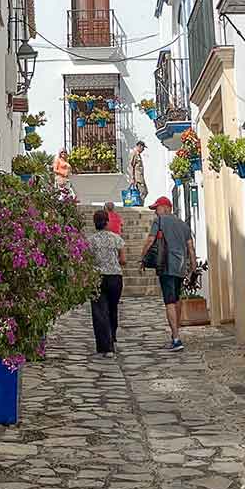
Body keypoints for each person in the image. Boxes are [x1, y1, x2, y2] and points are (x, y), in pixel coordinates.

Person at [141, 195, 196, 352]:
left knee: (169, 301)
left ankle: (176, 338)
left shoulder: (160, 221)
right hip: (180, 267)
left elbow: (150, 240)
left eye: (156, 209)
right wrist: (192, 266)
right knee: (176, 299)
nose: (155, 213)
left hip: (166, 265)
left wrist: (142, 258)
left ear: (166, 208)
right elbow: (190, 248)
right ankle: (175, 335)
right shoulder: (183, 225)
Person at [86, 207, 125, 356]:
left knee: (99, 311)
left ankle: (104, 345)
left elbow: (87, 261)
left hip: (97, 277)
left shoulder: (90, 241)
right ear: (107, 222)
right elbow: (123, 260)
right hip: (115, 277)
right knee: (112, 308)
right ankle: (112, 336)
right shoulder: (116, 238)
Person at [127, 139, 147, 204]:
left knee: (143, 192)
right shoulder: (134, 153)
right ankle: (139, 206)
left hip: (140, 177)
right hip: (137, 178)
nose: (143, 150)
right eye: (143, 148)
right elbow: (131, 166)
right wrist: (132, 178)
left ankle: (139, 205)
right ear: (139, 146)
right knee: (143, 192)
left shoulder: (138, 154)